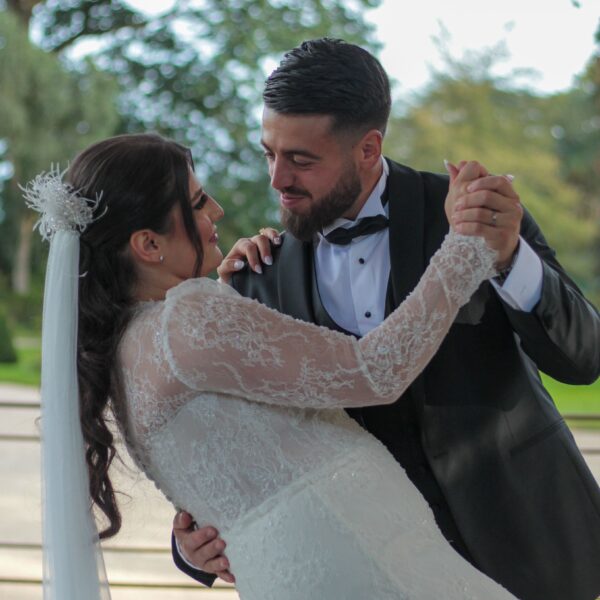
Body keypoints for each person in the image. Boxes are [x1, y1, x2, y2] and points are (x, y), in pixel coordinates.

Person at [171, 38, 600, 600]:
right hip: (378, 574)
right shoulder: (258, 274)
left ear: (369, 148)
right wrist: (192, 548)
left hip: (532, 546)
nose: (278, 179)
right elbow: (247, 444)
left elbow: (583, 358)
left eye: (301, 159)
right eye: (268, 153)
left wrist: (510, 259)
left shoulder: (472, 214)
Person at [29, 131, 519, 599]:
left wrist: (191, 548)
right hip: (357, 556)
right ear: (149, 245)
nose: (216, 210)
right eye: (198, 203)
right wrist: (468, 246)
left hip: (287, 574)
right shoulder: (189, 318)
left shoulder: (117, 355)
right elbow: (376, 371)